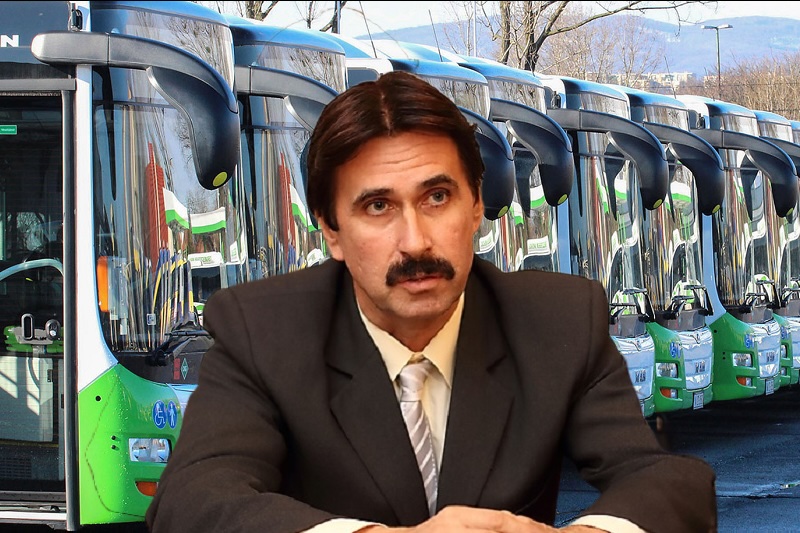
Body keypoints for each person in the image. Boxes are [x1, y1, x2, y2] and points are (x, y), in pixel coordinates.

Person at [146, 70, 716, 533]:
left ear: (477, 206)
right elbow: (192, 501)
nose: (415, 242)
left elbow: (666, 480)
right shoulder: (264, 329)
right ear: (331, 231)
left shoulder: (558, 319)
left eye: (437, 197)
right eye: (378, 207)